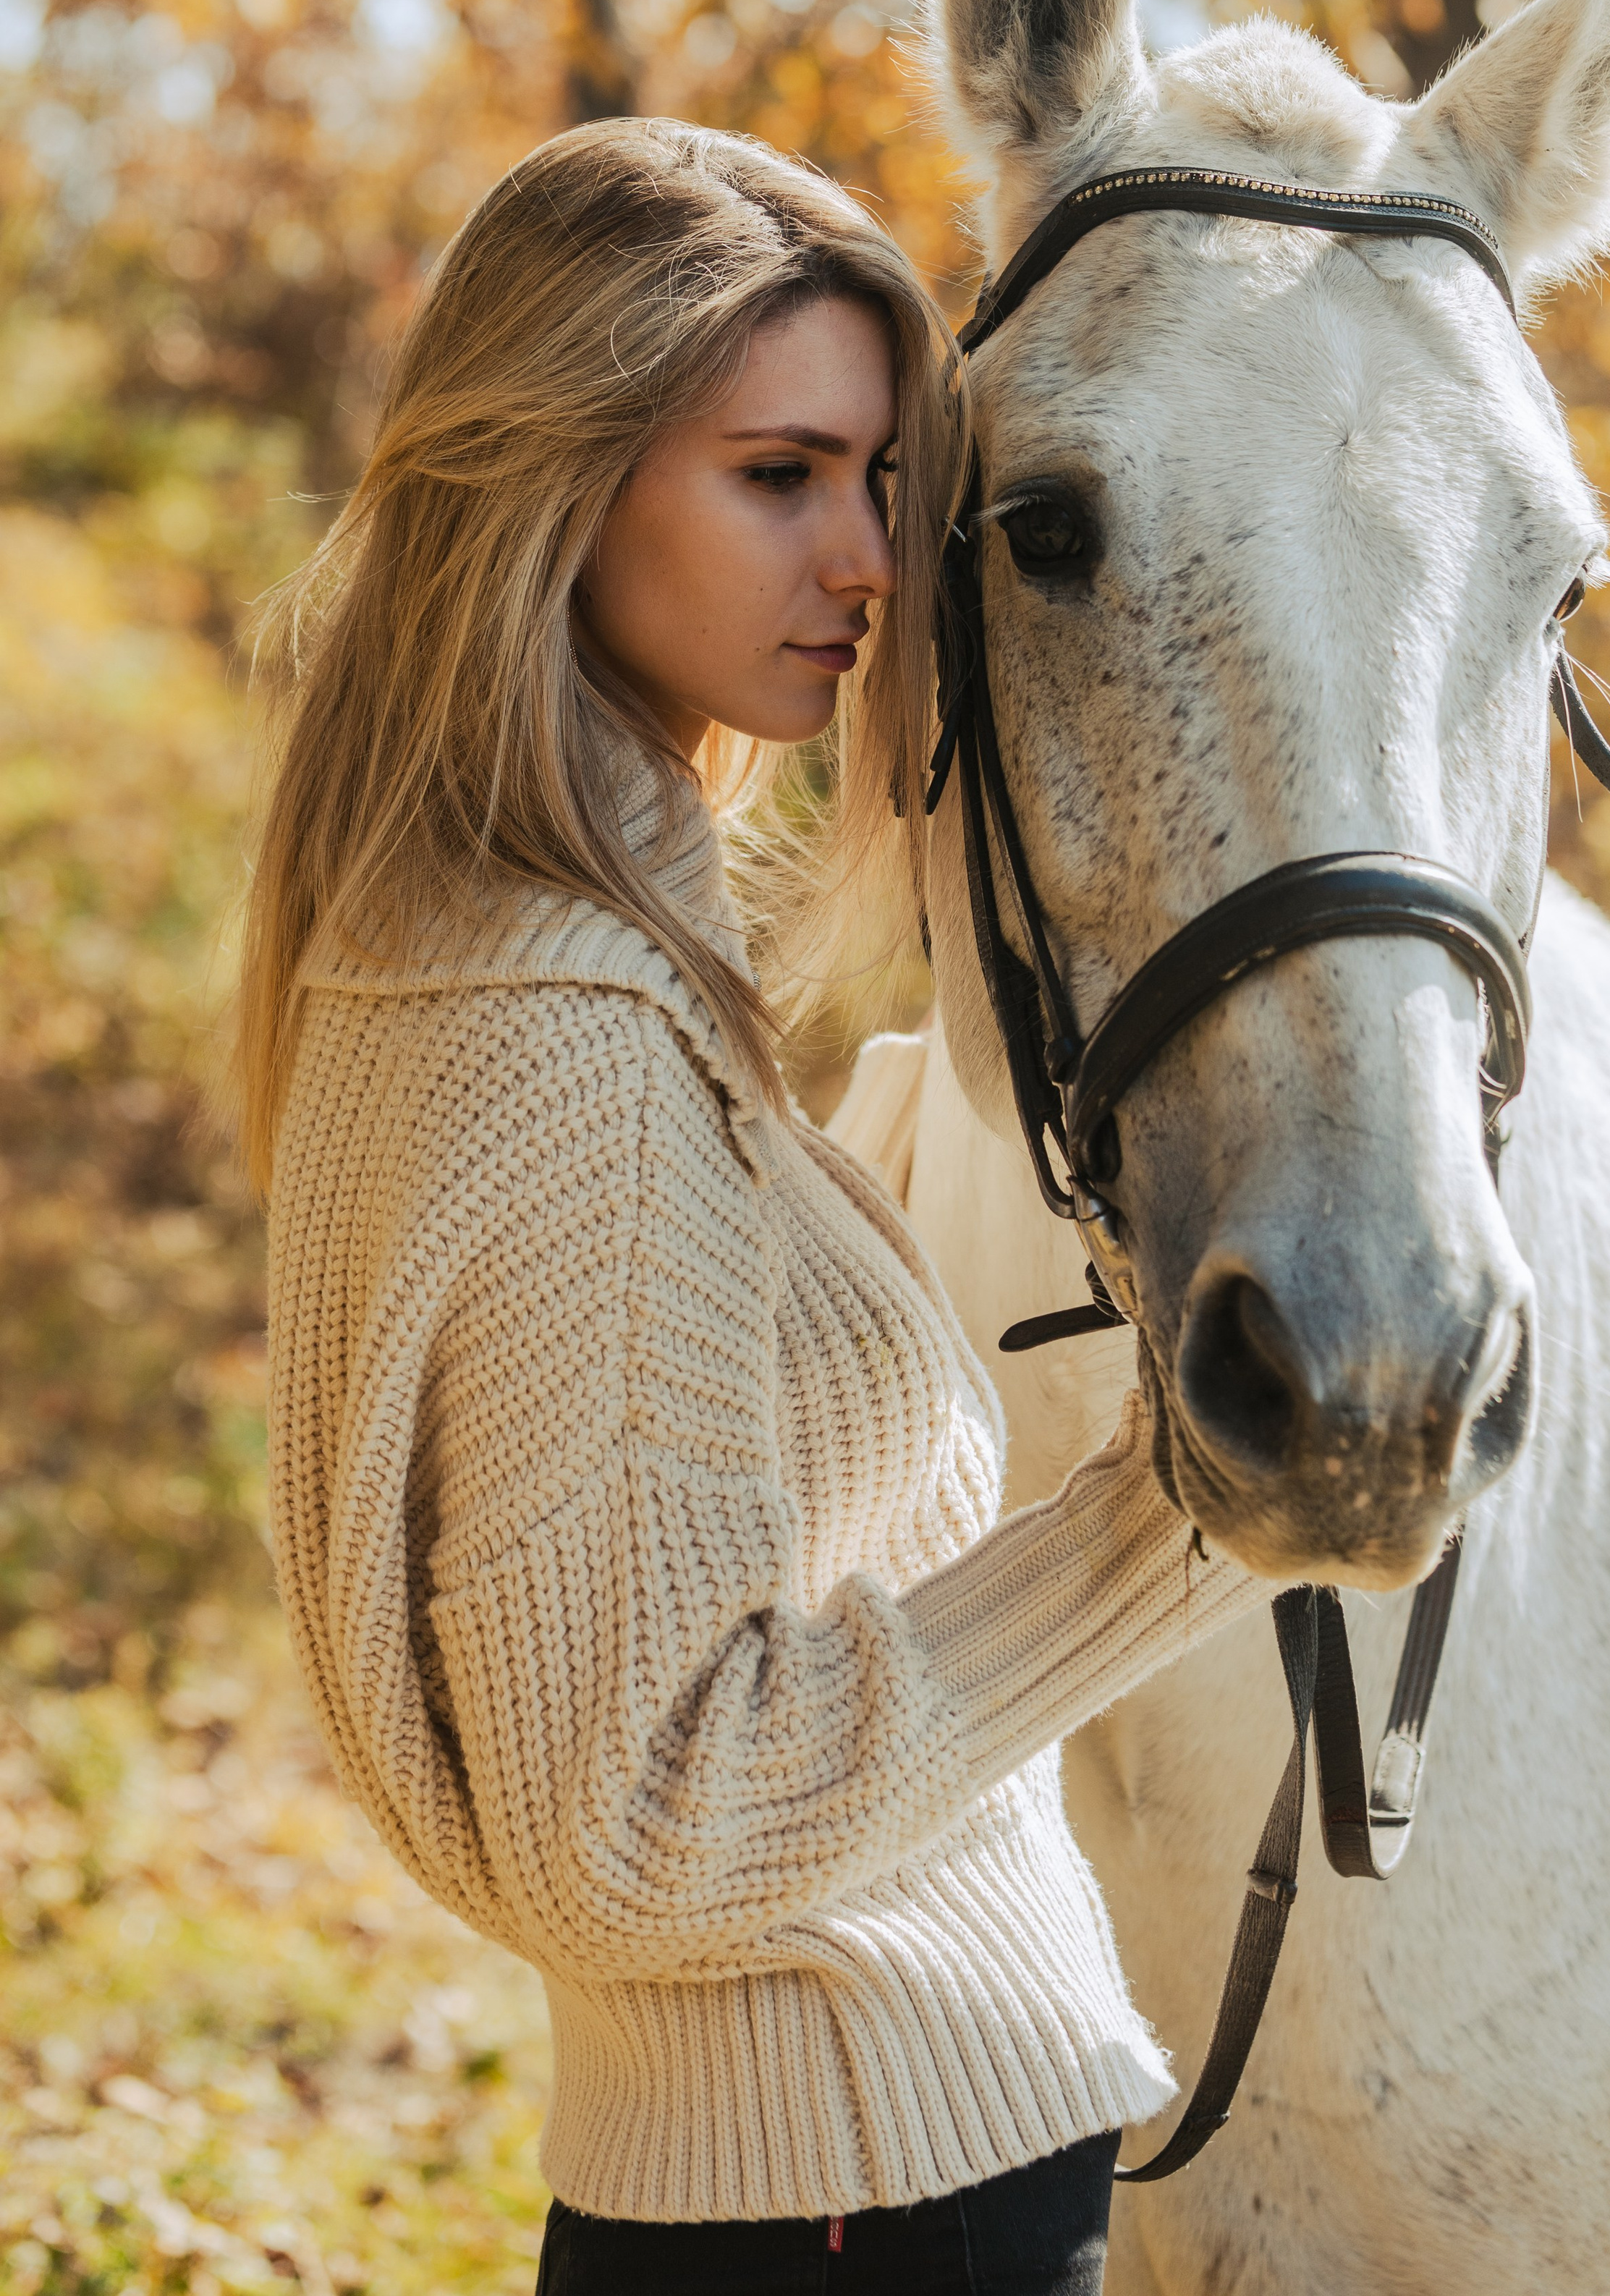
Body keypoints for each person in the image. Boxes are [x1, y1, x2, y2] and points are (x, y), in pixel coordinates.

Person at [240, 119, 1266, 2295]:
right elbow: (645, 1820)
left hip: (835, 2184)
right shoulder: (559, 1030)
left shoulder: (514, 957)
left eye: (885, 480)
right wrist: (1181, 1515)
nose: (872, 560)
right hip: (853, 2208)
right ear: (561, 474)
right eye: (779, 473)